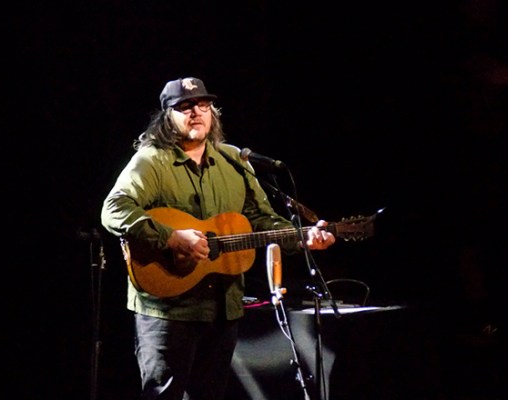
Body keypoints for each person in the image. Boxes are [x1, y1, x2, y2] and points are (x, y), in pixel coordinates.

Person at [100, 76, 337, 400]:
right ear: (166, 117)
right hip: (168, 311)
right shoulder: (152, 159)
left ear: (213, 112)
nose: (195, 111)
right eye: (183, 106)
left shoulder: (233, 160)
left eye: (202, 104)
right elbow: (114, 209)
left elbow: (260, 219)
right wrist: (171, 238)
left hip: (223, 309)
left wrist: (301, 237)